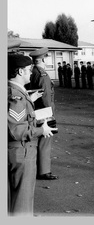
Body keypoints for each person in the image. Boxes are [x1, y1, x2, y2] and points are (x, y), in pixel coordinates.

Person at [8, 54, 56, 215]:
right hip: (21, 151)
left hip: (18, 150)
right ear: (20, 72)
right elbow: (16, 130)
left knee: (15, 199)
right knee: (22, 202)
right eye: (28, 70)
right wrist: (41, 130)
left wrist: (30, 98)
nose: (31, 73)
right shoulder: (15, 96)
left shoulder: (15, 92)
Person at [28, 47, 58, 180]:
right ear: (42, 60)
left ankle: (39, 168)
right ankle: (44, 170)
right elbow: (46, 97)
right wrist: (50, 114)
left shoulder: (33, 72)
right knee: (46, 141)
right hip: (44, 112)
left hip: (35, 110)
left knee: (39, 141)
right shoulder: (42, 75)